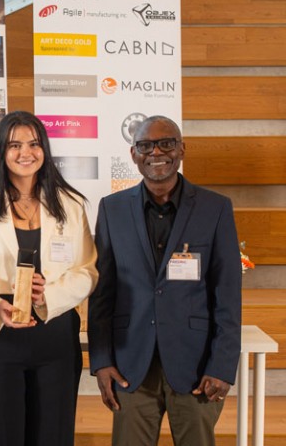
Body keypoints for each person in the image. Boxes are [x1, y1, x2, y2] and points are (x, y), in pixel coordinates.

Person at [0, 111, 98, 445]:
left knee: (51, 436)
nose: (25, 153)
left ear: (45, 149)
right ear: (1, 151)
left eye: (33, 143)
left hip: (53, 333)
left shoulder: (70, 205)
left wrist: (49, 296)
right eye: (14, 145)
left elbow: (87, 270)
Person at [88, 115, 242, 446]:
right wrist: (101, 362)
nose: (156, 151)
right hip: (131, 367)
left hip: (197, 368)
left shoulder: (215, 209)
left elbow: (227, 294)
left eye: (166, 143)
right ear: (134, 154)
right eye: (145, 145)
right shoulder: (112, 209)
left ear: (182, 149)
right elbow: (103, 293)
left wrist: (223, 365)